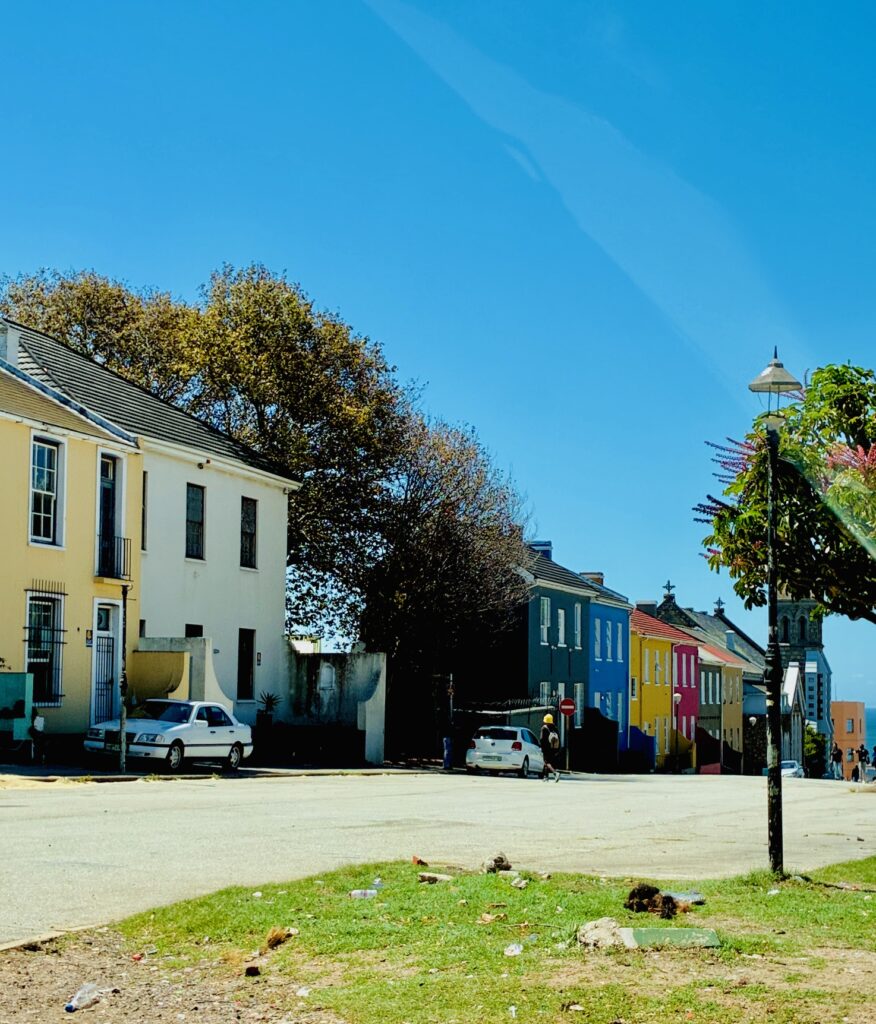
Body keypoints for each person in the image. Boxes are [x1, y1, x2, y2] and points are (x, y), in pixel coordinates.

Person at [540, 713, 560, 782]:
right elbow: (558, 738)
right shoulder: (555, 728)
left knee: (547, 762)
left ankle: (555, 773)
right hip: (554, 748)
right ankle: (546, 777)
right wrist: (557, 749)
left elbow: (542, 739)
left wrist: (542, 748)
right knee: (548, 762)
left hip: (546, 748)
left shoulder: (544, 728)